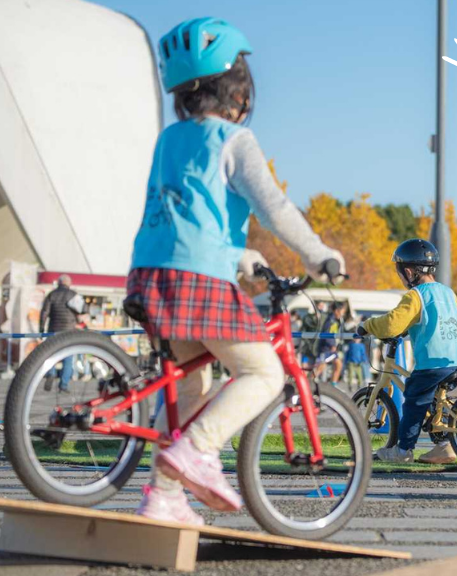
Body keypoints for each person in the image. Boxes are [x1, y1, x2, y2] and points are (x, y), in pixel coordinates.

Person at [128, 18, 344, 524]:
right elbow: (274, 207)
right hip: (198, 279)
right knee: (264, 372)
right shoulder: (235, 140)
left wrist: (245, 259)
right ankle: (199, 451)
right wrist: (318, 254)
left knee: (188, 387)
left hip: (151, 275)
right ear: (238, 89)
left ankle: (163, 497)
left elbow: (190, 213)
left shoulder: (170, 139)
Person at [357, 239, 457, 465]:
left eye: (400, 274)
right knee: (438, 403)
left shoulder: (416, 295)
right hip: (456, 359)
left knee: (414, 401)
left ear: (408, 271)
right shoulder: (448, 293)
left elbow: (392, 324)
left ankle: (403, 450)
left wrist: (368, 326)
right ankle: (444, 447)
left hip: (433, 361)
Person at [39, 275, 86, 392]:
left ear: (58, 283)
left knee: (51, 354)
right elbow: (84, 308)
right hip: (68, 331)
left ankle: (51, 373)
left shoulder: (52, 294)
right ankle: (63, 384)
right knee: (68, 358)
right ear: (68, 283)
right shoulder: (73, 294)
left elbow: (44, 312)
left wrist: (41, 328)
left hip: (53, 330)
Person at [313, 301, 347, 385]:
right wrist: (332, 345)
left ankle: (333, 385)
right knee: (321, 367)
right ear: (337, 311)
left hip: (331, 349)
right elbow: (327, 333)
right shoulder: (330, 320)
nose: (343, 314)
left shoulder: (335, 320)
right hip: (326, 348)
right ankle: (310, 382)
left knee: (338, 365)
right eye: (342, 311)